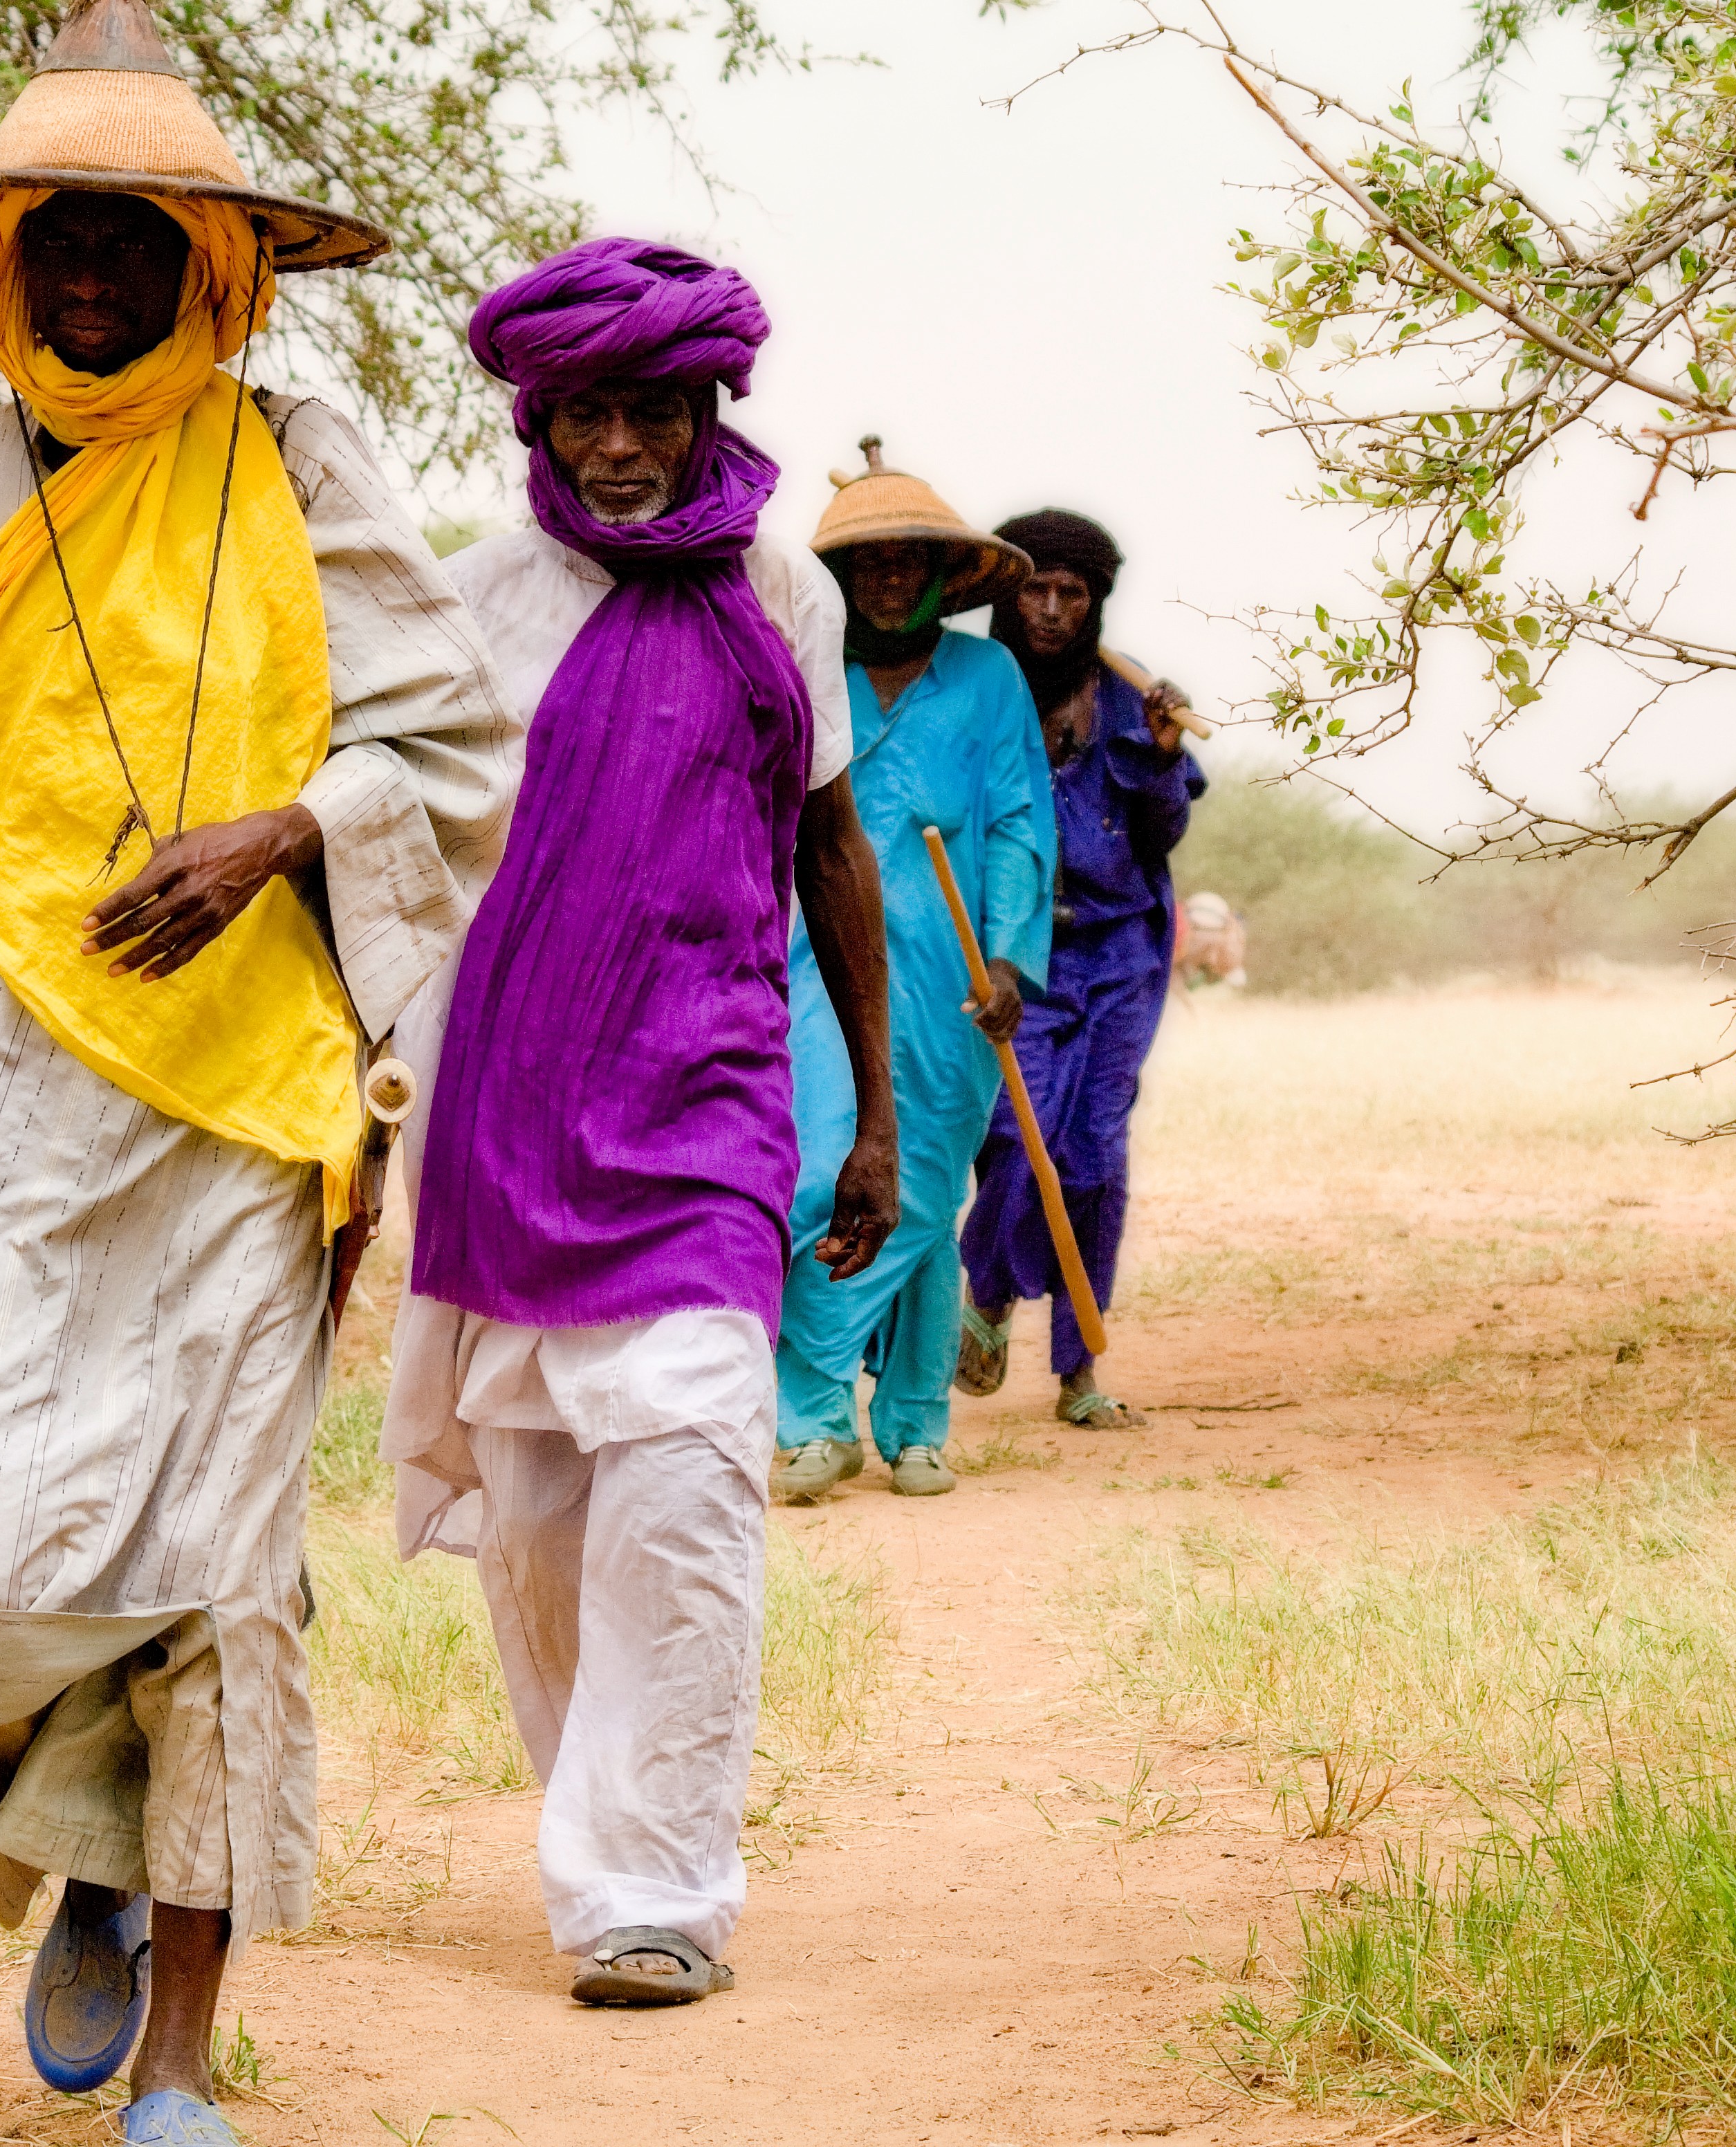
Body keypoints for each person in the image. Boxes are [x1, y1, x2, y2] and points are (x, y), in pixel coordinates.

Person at [0, 8, 515, 2142]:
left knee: (211, 1559)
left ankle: (179, 2047)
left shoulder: (304, 459)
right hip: (0, 1109)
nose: (89, 274)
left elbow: (450, 748)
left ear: (216, 263)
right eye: (55, 240)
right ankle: (76, 1835)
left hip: (245, 1097)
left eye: (130, 237)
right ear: (1, 262)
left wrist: (279, 835)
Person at [378, 238, 898, 2009]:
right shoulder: (470, 597)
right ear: (542, 414)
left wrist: (878, 1121)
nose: (617, 448)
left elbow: (829, 847)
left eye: (650, 412)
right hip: (502, 1106)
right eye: (587, 412)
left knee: (683, 1474)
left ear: (706, 409)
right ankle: (599, 1812)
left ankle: (651, 1890)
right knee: (531, 1515)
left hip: (709, 1091)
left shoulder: (779, 591)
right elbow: (401, 853)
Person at [770, 441, 1051, 1503]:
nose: (889, 578)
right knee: (814, 1181)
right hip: (816, 967)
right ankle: (811, 1418)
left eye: (910, 561)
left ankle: (919, 1424)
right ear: (839, 579)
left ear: (945, 575)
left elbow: (1023, 821)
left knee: (927, 1194)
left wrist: (1014, 956)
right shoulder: (805, 668)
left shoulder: (990, 678)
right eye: (869, 562)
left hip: (952, 978)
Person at [956, 509, 1203, 1430]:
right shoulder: (977, 695)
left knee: (1094, 1158)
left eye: (1072, 592)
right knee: (1017, 1140)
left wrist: (1166, 756)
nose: (1052, 610)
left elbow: (1162, 834)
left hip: (1122, 954)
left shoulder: (1132, 701)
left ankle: (1079, 1373)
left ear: (1096, 600)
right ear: (1007, 597)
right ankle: (985, 1295)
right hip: (1016, 956)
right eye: (1034, 589)